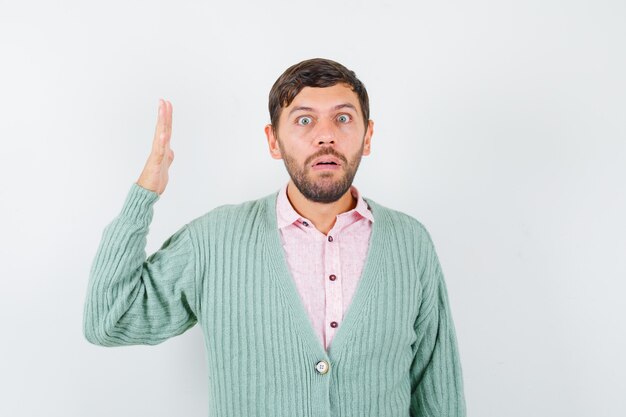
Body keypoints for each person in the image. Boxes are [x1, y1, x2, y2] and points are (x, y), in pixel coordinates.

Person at [83, 58, 466, 417]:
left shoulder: (410, 243)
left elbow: (438, 393)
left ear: (367, 136)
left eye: (343, 118)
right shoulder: (215, 241)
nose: (325, 137)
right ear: (273, 141)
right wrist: (144, 193)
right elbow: (108, 320)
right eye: (303, 121)